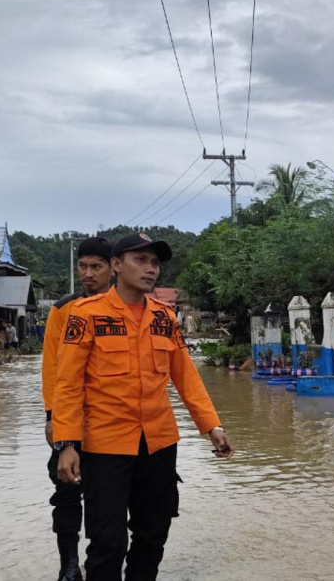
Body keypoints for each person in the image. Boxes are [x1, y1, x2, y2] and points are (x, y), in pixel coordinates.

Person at [52, 233, 233, 581]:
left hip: (159, 443)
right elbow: (68, 383)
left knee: (153, 535)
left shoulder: (165, 317)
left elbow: (186, 376)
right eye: (141, 260)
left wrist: (212, 426)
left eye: (154, 262)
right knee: (107, 542)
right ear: (117, 266)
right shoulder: (85, 315)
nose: (150, 269)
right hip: (105, 446)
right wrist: (67, 443)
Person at [40, 236, 113, 581]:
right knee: (66, 491)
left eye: (95, 266)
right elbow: (52, 367)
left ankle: (105, 561)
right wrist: (52, 416)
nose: (88, 273)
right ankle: (69, 565)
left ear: (112, 268)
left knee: (110, 495)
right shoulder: (63, 309)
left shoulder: (126, 307)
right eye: (82, 266)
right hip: (70, 420)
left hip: (111, 421)